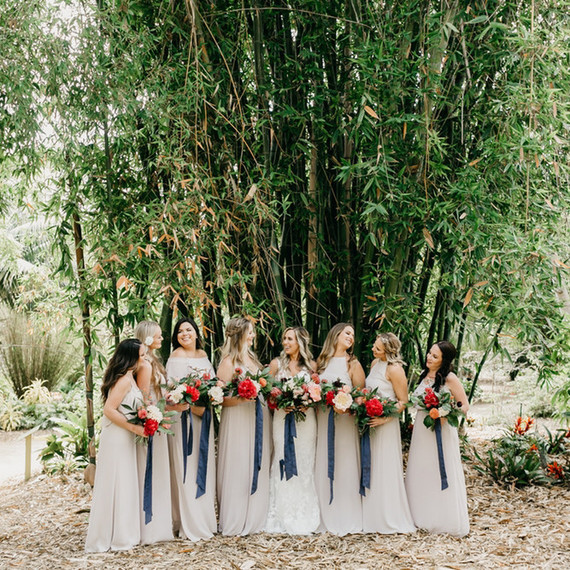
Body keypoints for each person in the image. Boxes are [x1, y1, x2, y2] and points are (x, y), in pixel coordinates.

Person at [85, 339, 146, 552]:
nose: (144, 359)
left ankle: (122, 532)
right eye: (142, 356)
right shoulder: (124, 381)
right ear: (131, 357)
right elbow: (109, 410)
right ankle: (114, 536)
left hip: (124, 435)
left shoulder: (130, 377)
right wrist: (136, 428)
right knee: (118, 480)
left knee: (124, 481)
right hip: (118, 436)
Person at [405, 340, 470, 537]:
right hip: (422, 430)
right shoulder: (424, 375)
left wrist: (444, 413)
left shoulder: (450, 378)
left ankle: (442, 518)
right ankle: (418, 515)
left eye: (435, 356)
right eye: (429, 354)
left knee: (439, 469)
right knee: (421, 468)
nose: (429, 358)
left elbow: (464, 405)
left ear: (444, 360)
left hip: (441, 430)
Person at [217, 317, 272, 536]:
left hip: (258, 415)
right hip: (238, 418)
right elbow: (219, 398)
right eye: (249, 332)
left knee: (257, 459)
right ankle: (236, 518)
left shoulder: (252, 359)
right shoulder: (228, 362)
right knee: (239, 463)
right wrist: (241, 399)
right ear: (239, 335)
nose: (253, 335)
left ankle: (257, 516)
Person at [165, 317, 217, 541]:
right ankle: (189, 523)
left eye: (188, 329)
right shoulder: (176, 356)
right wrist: (193, 407)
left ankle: (204, 520)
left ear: (196, 333)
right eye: (179, 331)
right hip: (184, 417)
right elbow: (172, 390)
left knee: (204, 465)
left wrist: (212, 398)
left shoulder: (204, 356)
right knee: (187, 468)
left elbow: (213, 385)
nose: (184, 334)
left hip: (204, 418)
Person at [265, 326, 320, 534]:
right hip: (282, 418)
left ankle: (303, 511)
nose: (286, 342)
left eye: (290, 339)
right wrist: (279, 402)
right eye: (284, 338)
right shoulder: (276, 364)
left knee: (305, 461)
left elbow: (318, 394)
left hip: (306, 421)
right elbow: (267, 392)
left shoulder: (312, 366)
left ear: (300, 342)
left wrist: (308, 402)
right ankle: (280, 512)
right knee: (281, 458)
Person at [361, 333, 415, 533]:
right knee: (371, 464)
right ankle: (370, 513)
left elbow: (403, 401)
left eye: (377, 348)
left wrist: (384, 417)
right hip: (371, 422)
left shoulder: (395, 369)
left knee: (384, 466)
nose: (373, 350)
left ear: (388, 350)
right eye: (374, 347)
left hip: (386, 423)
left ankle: (388, 515)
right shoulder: (375, 363)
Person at [314, 323, 365, 535]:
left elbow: (362, 395)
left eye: (353, 335)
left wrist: (347, 406)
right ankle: (324, 513)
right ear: (336, 334)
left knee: (345, 463)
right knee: (323, 461)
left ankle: (347, 514)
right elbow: (314, 389)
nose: (351, 337)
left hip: (345, 423)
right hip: (324, 419)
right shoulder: (321, 361)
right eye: (347, 333)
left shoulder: (353, 363)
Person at [133, 321, 173, 544]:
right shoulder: (143, 362)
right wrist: (153, 418)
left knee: (159, 469)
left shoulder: (154, 361)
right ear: (147, 338)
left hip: (161, 419)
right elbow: (143, 396)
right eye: (158, 336)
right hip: (153, 421)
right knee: (151, 469)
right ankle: (149, 527)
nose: (162, 339)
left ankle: (158, 523)